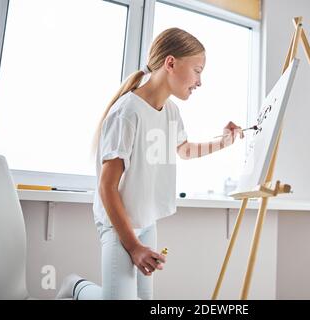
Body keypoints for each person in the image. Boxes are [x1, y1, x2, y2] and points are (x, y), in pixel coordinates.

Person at [56, 27, 243, 300]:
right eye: (198, 70)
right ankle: (76, 287)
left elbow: (184, 149)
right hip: (119, 224)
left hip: (146, 220)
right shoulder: (127, 113)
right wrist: (133, 246)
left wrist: (224, 142)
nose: (200, 81)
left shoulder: (171, 111)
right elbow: (107, 187)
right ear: (170, 63)